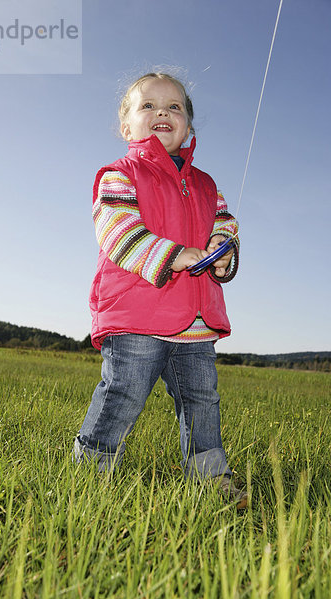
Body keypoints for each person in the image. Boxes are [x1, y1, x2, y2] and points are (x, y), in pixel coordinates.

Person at [73, 71, 247, 509]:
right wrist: (174, 254)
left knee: (202, 401)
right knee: (124, 392)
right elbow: (118, 233)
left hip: (196, 320)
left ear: (188, 124)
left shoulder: (208, 186)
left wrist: (221, 253)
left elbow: (225, 229)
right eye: (148, 106)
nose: (162, 112)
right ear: (126, 125)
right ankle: (91, 469)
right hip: (137, 315)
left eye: (174, 107)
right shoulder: (119, 176)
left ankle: (211, 480)